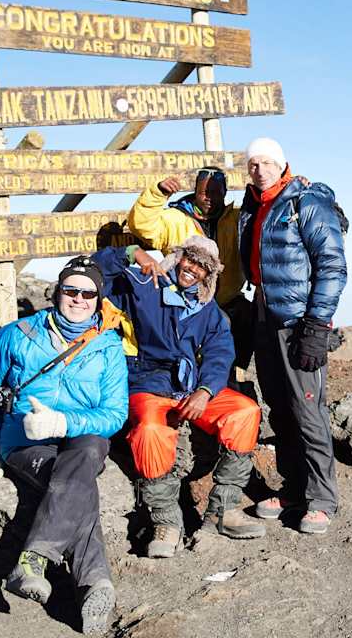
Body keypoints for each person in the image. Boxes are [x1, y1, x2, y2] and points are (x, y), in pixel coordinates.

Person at [0, 255, 127, 636]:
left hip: (81, 437)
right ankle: (95, 584)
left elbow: (114, 414)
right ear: (57, 292)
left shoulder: (108, 346)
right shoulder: (17, 334)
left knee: (84, 453)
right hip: (26, 441)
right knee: (76, 485)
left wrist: (65, 422)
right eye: (71, 290)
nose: (79, 299)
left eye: (89, 293)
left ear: (98, 300)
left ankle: (34, 559)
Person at [92, 236, 265, 555]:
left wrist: (206, 389)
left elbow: (219, 351)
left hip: (190, 387)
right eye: (190, 259)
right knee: (149, 431)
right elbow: (94, 270)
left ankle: (222, 511)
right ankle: (167, 522)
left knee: (244, 412)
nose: (192, 269)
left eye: (202, 266)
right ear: (179, 257)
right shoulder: (144, 284)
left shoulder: (207, 308)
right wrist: (132, 253)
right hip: (146, 382)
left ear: (209, 274)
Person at [239, 137, 347, 535]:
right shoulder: (254, 205)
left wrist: (317, 326)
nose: (260, 170)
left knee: (307, 407)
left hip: (298, 319)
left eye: (267, 162)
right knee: (279, 406)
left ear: (282, 164)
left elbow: (332, 266)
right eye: (253, 164)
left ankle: (321, 497)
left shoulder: (306, 202)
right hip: (264, 312)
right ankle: (294, 487)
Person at [126, 167, 255, 384]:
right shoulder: (176, 219)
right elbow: (141, 225)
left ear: (224, 193)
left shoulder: (234, 220)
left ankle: (231, 375)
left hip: (226, 299)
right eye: (204, 192)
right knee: (220, 323)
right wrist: (158, 192)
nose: (209, 198)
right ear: (195, 191)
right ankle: (196, 380)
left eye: (216, 192)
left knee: (248, 315)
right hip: (184, 301)